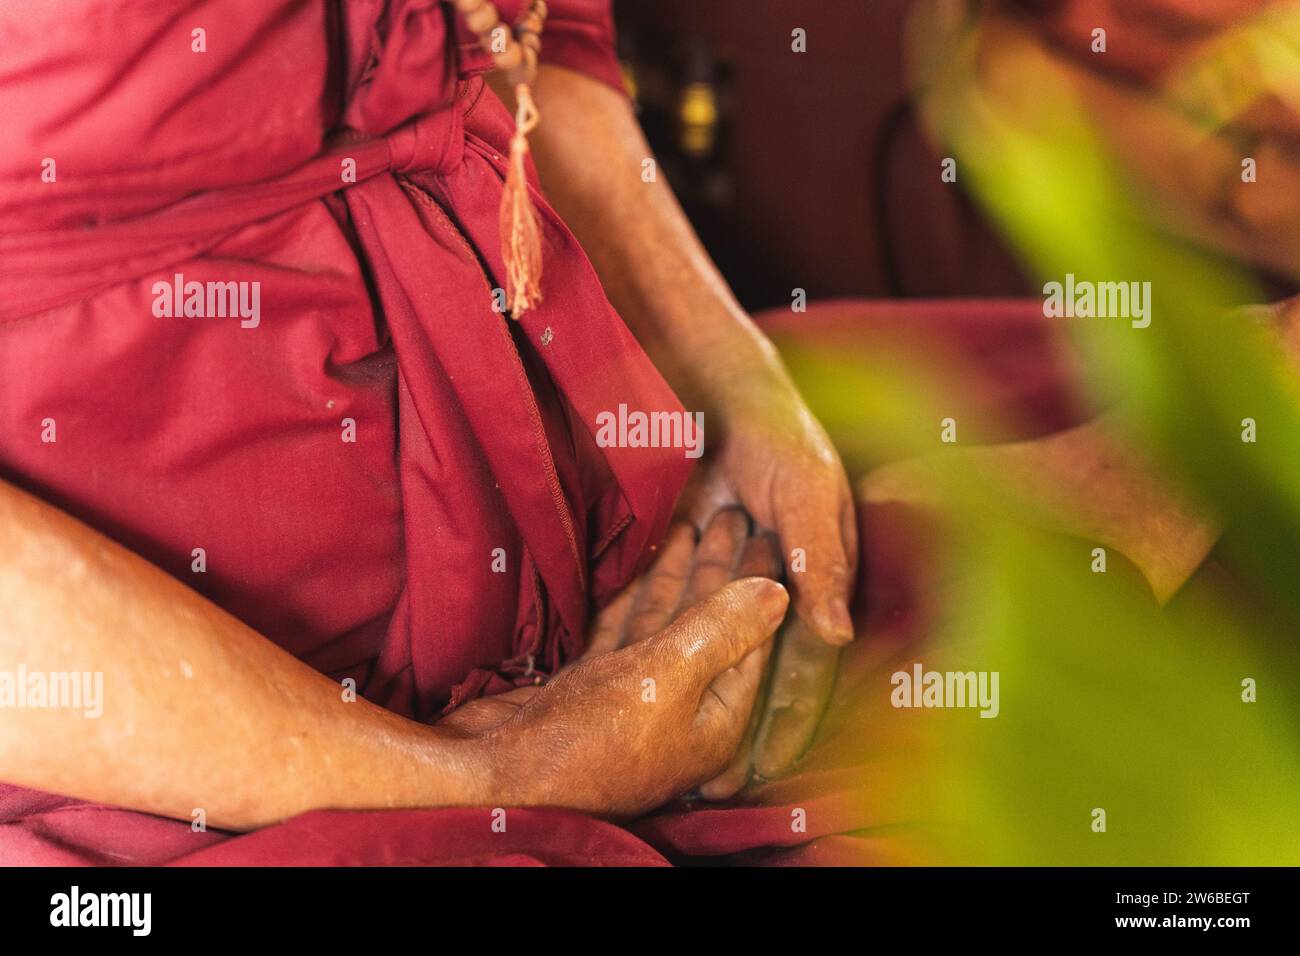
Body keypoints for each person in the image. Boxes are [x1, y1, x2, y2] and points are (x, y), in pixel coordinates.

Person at [0, 0, 855, 861]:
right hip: (139, 772)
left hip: (601, 563)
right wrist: (489, 776)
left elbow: (536, 35)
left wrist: (728, 384)